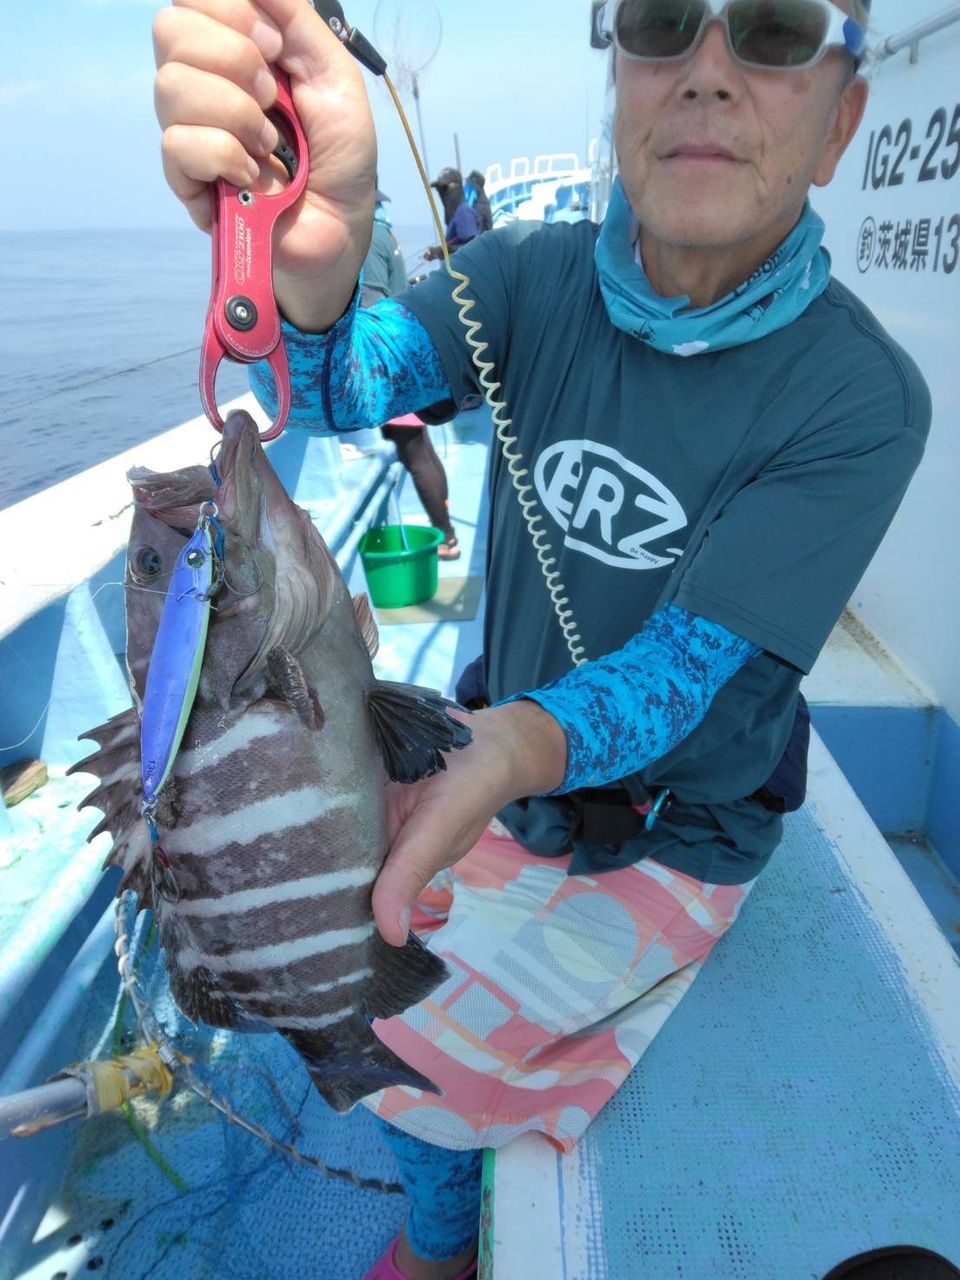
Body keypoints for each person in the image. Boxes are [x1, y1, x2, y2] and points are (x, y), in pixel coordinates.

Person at [153, 2, 929, 1278]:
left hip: (675, 830)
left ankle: (440, 1239)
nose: (710, 72)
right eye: (664, 22)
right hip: (497, 780)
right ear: (621, 79)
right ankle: (444, 1223)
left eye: (777, 30)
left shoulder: (861, 394)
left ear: (842, 121)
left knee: (403, 1042)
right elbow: (346, 387)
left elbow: (686, 671)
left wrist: (505, 748)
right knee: (360, 981)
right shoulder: (525, 275)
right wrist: (318, 263)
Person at [362, 185, 461, 560]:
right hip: (410, 348)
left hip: (392, 363)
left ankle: (447, 537)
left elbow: (372, 302)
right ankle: (447, 523)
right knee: (423, 448)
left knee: (414, 454)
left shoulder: (368, 238)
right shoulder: (385, 232)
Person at [422, 168, 483, 261]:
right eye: (439, 188)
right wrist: (438, 252)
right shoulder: (456, 213)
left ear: (456, 187)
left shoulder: (464, 213)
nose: (442, 192)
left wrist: (441, 251)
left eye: (445, 188)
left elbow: (474, 249)